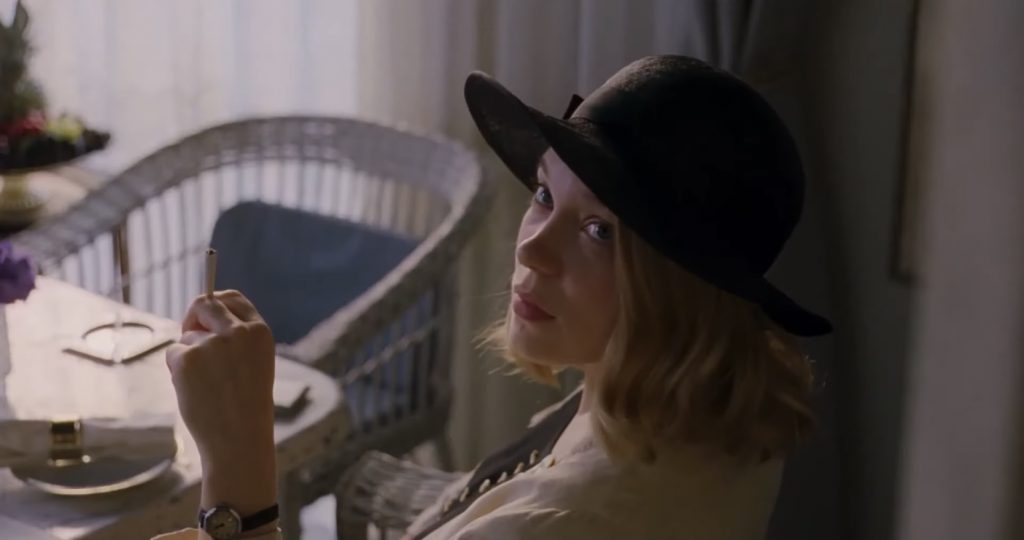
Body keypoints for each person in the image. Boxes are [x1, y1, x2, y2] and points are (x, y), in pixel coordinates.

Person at [154, 55, 832, 540]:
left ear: (687, 285)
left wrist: (238, 469)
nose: (532, 249)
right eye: (544, 194)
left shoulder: (568, 521)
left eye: (599, 230)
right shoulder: (704, 403)